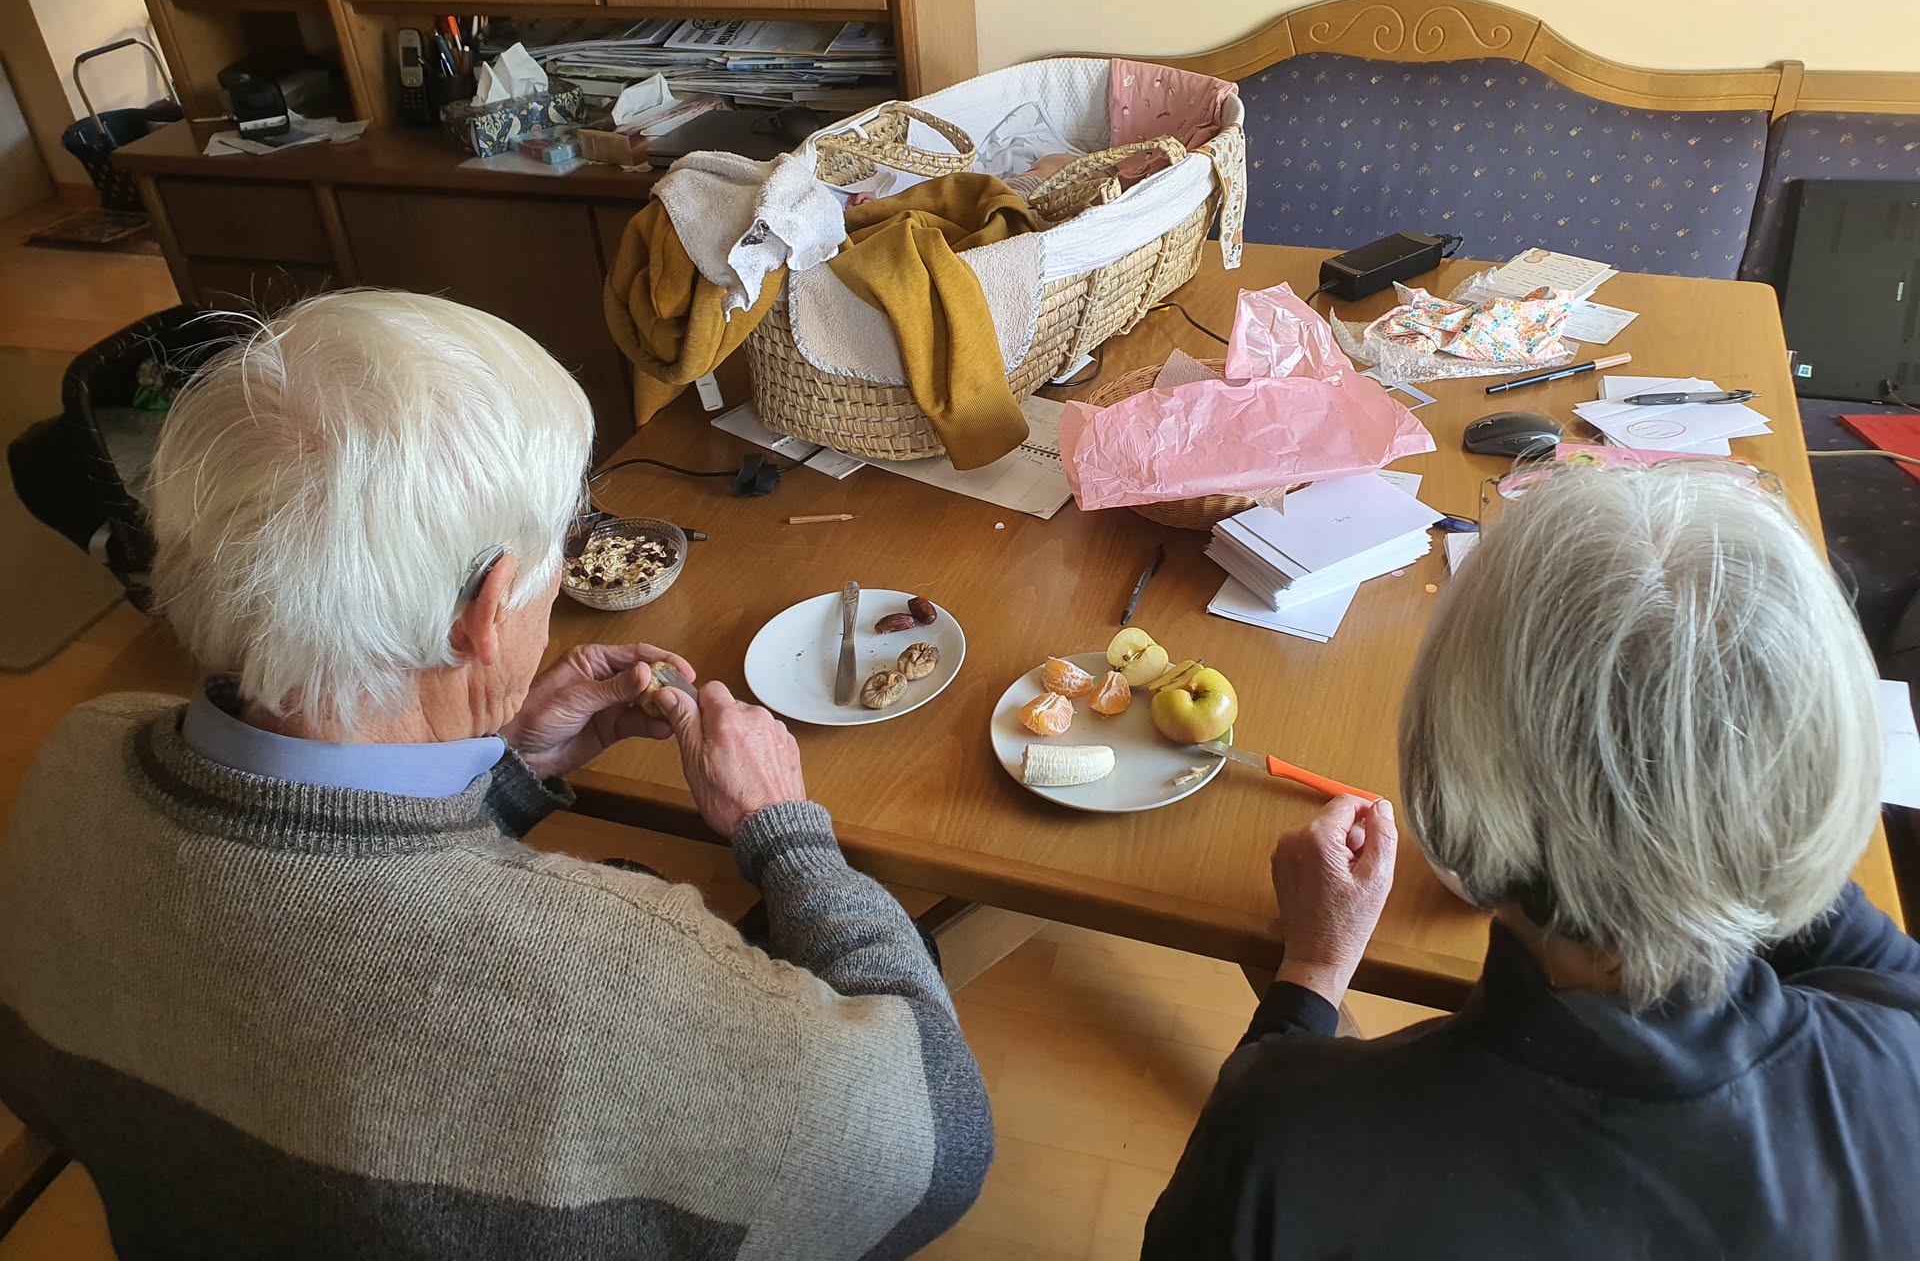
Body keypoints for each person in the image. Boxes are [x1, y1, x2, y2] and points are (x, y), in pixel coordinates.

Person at [0, 290, 991, 1259]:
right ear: (485, 611)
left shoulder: (83, 757)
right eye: (561, 546)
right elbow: (935, 1151)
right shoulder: (612, 977)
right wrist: (786, 832)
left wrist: (503, 773)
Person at [1145, 462, 1920, 1260]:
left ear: (1446, 772)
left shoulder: (1283, 1149)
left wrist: (1312, 974)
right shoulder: (1901, 1062)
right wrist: (1711, 801)